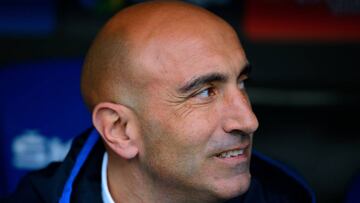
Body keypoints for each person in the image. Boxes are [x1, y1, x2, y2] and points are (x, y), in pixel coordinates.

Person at [2, 1, 315, 202]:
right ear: (120, 130)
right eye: (205, 92)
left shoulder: (283, 196)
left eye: (242, 83)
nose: (249, 120)